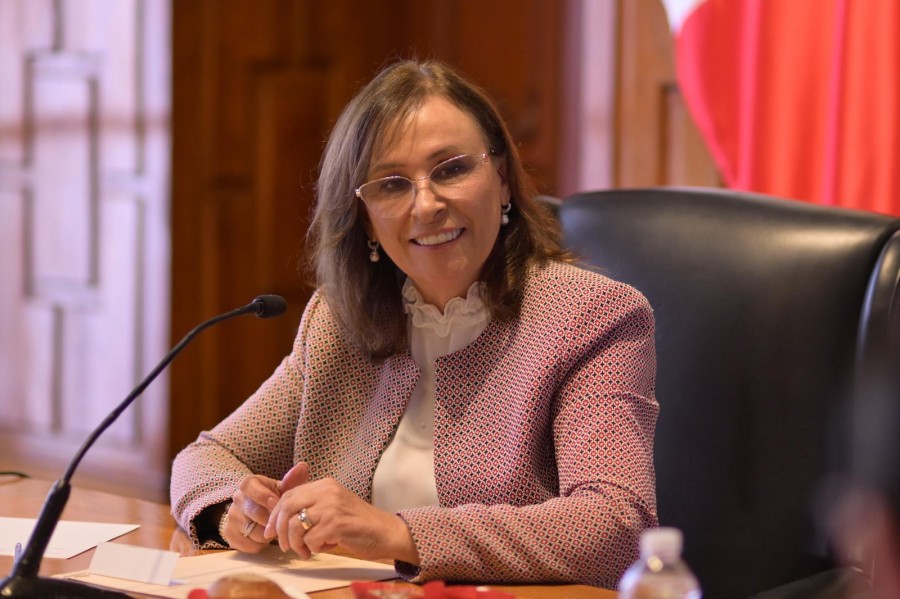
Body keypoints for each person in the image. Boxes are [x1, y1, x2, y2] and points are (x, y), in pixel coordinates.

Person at [170, 58, 659, 589]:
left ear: (502, 181)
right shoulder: (340, 321)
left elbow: (615, 525)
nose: (426, 205)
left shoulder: (590, 316)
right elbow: (206, 458)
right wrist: (235, 511)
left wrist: (394, 532)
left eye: (451, 170)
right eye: (391, 185)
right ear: (366, 220)